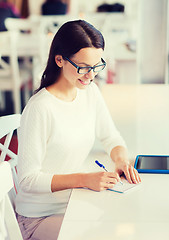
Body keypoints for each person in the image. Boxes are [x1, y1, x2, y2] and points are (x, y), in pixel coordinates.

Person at [15, 20, 141, 240]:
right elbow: (28, 179)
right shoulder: (40, 108)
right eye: (83, 67)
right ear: (60, 60)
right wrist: (84, 179)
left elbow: (111, 136)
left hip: (73, 202)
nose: (91, 76)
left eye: (96, 66)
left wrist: (121, 161)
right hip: (38, 218)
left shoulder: (89, 92)